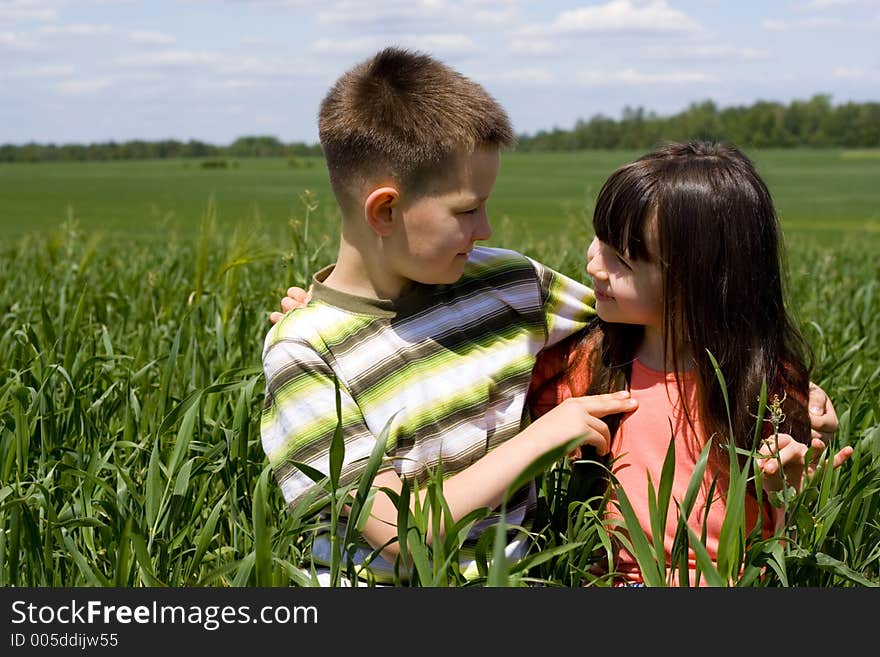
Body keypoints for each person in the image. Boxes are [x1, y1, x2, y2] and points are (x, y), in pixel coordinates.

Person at [260, 46, 638, 585]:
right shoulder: (305, 351)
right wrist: (542, 438)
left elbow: (642, 326)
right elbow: (401, 535)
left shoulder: (509, 282)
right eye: (466, 210)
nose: (485, 228)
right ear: (385, 211)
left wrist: (786, 389)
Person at [526, 141, 853, 585]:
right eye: (598, 239)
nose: (592, 264)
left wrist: (795, 488)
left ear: (698, 284)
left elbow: (786, 532)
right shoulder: (590, 363)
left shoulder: (768, 385)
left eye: (620, 258)